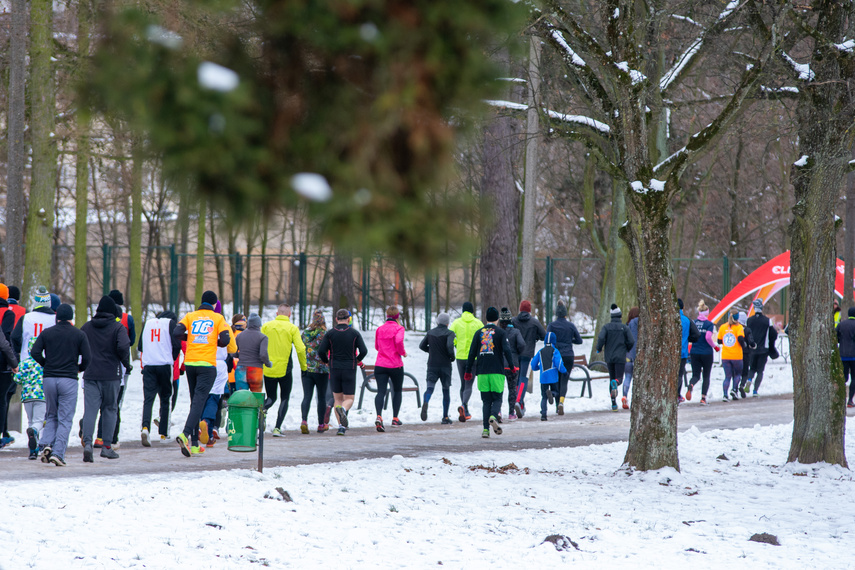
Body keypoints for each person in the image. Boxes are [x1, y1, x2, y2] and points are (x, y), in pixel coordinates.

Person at [172, 290, 233, 456]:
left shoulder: (190, 316)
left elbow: (177, 333)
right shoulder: (217, 318)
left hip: (190, 363)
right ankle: (185, 434)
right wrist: (215, 341)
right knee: (199, 402)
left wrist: (190, 337)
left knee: (195, 402)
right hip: (207, 365)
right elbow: (226, 340)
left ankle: (194, 444)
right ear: (214, 304)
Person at [31, 304, 90, 466]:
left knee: (51, 415)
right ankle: (58, 453)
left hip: (49, 379)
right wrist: (79, 369)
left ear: (57, 317)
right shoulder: (79, 334)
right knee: (65, 419)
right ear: (71, 317)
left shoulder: (47, 333)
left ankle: (46, 445)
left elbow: (34, 352)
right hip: (68, 379)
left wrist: (46, 364)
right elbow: (87, 357)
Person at [80, 296, 131, 461]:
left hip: (91, 375)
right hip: (111, 375)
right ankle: (107, 447)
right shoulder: (118, 328)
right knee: (110, 409)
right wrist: (125, 363)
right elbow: (124, 346)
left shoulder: (87, 327)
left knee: (90, 410)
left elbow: (78, 344)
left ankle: (88, 444)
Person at [8, 286, 55, 447]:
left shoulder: (26, 318)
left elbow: (14, 338)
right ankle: (42, 439)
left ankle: (33, 444)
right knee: (46, 410)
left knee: (31, 415)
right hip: (48, 366)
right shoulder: (54, 319)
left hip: (27, 364)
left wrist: (19, 356)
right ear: (49, 303)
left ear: (36, 303)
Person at [318, 309, 368, 435]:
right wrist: (357, 360)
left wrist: (326, 361)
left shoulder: (330, 334)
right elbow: (364, 351)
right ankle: (344, 411)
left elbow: (321, 351)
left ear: (336, 319)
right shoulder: (354, 333)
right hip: (349, 368)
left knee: (337, 399)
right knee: (349, 398)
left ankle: (341, 426)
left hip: (334, 368)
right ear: (348, 319)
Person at [261, 304, 307, 436]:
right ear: (289, 314)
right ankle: (277, 428)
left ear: (276, 313)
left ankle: (262, 412)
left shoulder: (266, 326)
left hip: (268, 367)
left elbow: (260, 346)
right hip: (285, 368)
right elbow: (301, 349)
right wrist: (304, 367)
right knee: (284, 398)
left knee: (271, 397)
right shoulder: (292, 328)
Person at [465, 307, 508, 438]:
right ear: (497, 319)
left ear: (486, 319)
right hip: (497, 371)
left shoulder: (478, 333)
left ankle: (485, 430)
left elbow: (472, 353)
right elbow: (507, 351)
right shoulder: (500, 332)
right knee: (497, 398)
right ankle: (493, 416)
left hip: (482, 371)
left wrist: (468, 371)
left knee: (486, 401)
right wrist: (511, 366)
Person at [138, 310, 180, 445]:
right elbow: (177, 345)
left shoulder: (148, 323)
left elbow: (140, 346)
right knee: (166, 398)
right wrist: (171, 358)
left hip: (149, 365)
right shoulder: (170, 323)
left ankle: (145, 428)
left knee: (148, 399)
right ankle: (164, 434)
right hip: (164, 365)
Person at [545, 301, 583, 415]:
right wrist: (569, 340)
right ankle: (561, 402)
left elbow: (547, 340)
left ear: (556, 314)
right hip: (568, 356)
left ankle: (556, 402)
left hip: (556, 355)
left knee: (556, 379)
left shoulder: (551, 325)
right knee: (564, 380)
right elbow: (579, 341)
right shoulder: (571, 326)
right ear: (565, 314)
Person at [373, 306, 407, 432]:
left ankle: (379, 416)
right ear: (397, 316)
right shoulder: (399, 328)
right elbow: (398, 341)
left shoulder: (380, 329)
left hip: (380, 364)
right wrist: (402, 352)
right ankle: (395, 418)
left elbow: (377, 346)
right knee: (397, 391)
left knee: (380, 391)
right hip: (395, 365)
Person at [596, 304, 635, 411]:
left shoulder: (606, 327)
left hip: (609, 357)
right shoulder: (624, 328)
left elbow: (601, 338)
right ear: (620, 316)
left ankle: (613, 404)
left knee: (611, 377)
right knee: (619, 379)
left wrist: (599, 348)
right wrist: (627, 348)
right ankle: (616, 382)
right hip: (620, 357)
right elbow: (631, 341)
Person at [419, 312, 456, 424]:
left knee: (430, 387)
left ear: (437, 321)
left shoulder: (430, 333)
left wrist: (431, 351)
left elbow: (422, 345)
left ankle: (426, 401)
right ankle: (445, 417)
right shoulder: (450, 333)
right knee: (446, 390)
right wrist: (452, 357)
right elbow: (450, 346)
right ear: (447, 323)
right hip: (445, 365)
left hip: (432, 365)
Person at [449, 302, 483, 422]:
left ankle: (465, 409)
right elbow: (484, 339)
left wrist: (456, 345)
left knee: (463, 384)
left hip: (460, 357)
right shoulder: (478, 323)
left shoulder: (456, 323)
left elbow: (450, 336)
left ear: (463, 310)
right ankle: (464, 405)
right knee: (469, 384)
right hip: (473, 359)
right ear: (472, 311)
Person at [511, 300, 546, 416]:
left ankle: (519, 403)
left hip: (515, 354)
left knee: (516, 378)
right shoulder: (534, 322)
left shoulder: (514, 321)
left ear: (520, 309)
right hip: (527, 354)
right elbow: (544, 336)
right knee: (523, 378)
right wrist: (535, 336)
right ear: (530, 310)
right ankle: (518, 400)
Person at [300, 310, 329, 433]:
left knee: (307, 396)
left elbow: (301, 348)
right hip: (321, 369)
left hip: (307, 368)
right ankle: (321, 424)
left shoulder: (305, 333)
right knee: (321, 397)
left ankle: (304, 421)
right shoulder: (325, 334)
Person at [14, 339, 42, 458]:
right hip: (41, 395)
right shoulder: (44, 363)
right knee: (39, 421)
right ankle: (35, 432)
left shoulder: (24, 363)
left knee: (31, 421)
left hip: (27, 396)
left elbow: (17, 378)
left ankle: (32, 451)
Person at [685, 300, 718, 405]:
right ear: (707, 313)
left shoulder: (693, 322)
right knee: (706, 376)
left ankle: (691, 385)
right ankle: (703, 398)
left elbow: (690, 336)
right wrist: (715, 346)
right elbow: (708, 337)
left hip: (694, 352)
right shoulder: (709, 324)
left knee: (696, 375)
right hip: (707, 353)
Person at [530, 332, 566, 421]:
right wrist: (564, 371)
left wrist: (538, 367)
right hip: (553, 376)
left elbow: (533, 364)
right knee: (556, 392)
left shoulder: (540, 351)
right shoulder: (555, 351)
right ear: (554, 341)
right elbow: (559, 364)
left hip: (543, 377)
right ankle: (556, 404)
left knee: (544, 397)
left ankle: (543, 414)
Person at [745, 299, 777, 398]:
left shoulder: (749, 320)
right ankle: (755, 390)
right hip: (763, 349)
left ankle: (749, 380)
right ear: (762, 308)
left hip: (752, 349)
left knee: (752, 368)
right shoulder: (767, 321)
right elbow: (773, 334)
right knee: (760, 371)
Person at [0, 284, 18, 449]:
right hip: (2, 363)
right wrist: (13, 363)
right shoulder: (8, 313)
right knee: (2, 399)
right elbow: (5, 340)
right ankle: (2, 432)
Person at [498, 307, 524, 421]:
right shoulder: (516, 332)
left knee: (499, 389)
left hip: (499, 365)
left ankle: (498, 411)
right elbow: (522, 345)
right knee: (512, 389)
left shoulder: (498, 332)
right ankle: (511, 413)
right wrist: (517, 352)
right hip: (513, 364)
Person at [235, 313, 271, 392]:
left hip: (241, 369)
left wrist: (240, 355)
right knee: (256, 398)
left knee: (241, 397)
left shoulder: (239, 336)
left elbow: (233, 352)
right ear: (259, 324)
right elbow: (263, 354)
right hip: (256, 369)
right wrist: (268, 363)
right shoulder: (263, 337)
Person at [717, 311, 746, 402]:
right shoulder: (739, 327)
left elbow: (719, 341)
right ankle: (734, 390)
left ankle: (725, 395)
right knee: (737, 374)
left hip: (725, 355)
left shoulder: (723, 327)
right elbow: (740, 338)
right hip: (736, 356)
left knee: (727, 376)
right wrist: (744, 344)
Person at [677, 299, 701, 403]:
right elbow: (697, 334)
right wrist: (687, 338)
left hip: (668, 353)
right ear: (683, 308)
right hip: (682, 352)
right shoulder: (686, 320)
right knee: (679, 375)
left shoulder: (666, 318)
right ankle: (677, 395)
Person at [622, 307, 640, 409]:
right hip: (639, 356)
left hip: (628, 356)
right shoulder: (642, 326)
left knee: (628, 376)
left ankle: (624, 395)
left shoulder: (626, 326)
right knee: (639, 379)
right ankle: (637, 399)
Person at [837, 306, 855, 408]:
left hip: (843, 355)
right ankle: (850, 400)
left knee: (843, 378)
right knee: (854, 378)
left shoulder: (841, 324)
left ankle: (840, 399)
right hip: (854, 356)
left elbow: (836, 337)